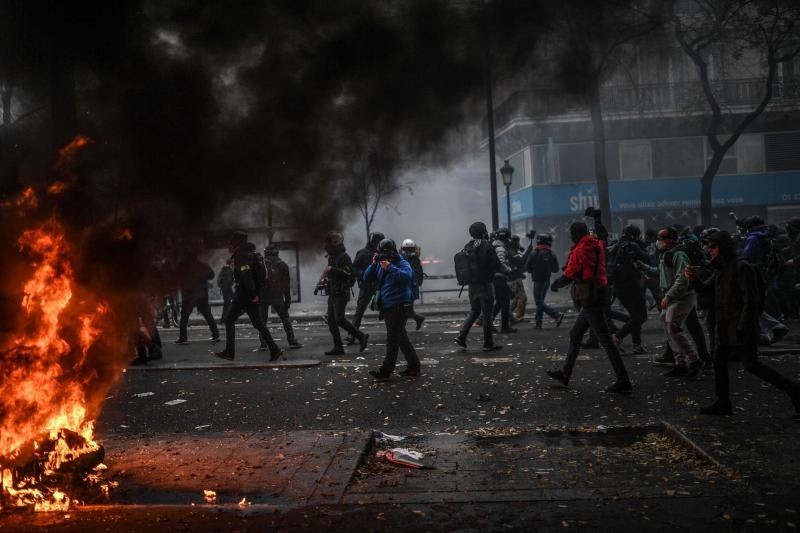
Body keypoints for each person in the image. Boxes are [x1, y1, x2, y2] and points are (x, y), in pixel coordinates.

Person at [688, 231, 800, 418]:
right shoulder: (721, 269)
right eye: (709, 247)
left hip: (741, 327)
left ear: (723, 248)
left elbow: (751, 299)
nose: (709, 250)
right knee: (719, 361)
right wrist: (693, 279)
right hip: (725, 327)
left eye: (713, 247)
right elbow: (706, 291)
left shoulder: (742, 267)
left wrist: (743, 325)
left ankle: (793, 389)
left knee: (751, 365)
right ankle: (723, 402)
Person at [546, 222, 632, 393]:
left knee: (606, 340)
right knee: (576, 333)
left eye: (572, 233)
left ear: (576, 234)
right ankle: (565, 373)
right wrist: (597, 219)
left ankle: (624, 381)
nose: (570, 237)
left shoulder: (580, 250)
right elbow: (602, 237)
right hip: (600, 290)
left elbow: (569, 274)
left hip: (589, 296)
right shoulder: (597, 244)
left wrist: (556, 284)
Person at [637, 226, 702, 378]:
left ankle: (694, 360)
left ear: (671, 240)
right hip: (672, 296)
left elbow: (682, 279)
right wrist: (642, 266)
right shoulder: (666, 255)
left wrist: (668, 296)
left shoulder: (679, 255)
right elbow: (658, 272)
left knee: (673, 327)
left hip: (682, 297)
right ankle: (680, 363)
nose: (658, 241)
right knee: (668, 327)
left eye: (661, 238)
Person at [214, 232, 283, 361]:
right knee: (258, 323)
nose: (231, 245)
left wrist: (252, 294)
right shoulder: (251, 254)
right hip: (250, 293)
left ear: (237, 242)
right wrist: (255, 294)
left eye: (233, 242)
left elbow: (246, 275)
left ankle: (230, 352)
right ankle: (274, 349)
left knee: (229, 320)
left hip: (245, 294)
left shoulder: (242, 255)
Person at [365, 239, 421, 380]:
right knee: (401, 338)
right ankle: (414, 366)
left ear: (392, 251)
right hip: (388, 306)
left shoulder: (401, 262)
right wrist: (374, 264)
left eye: (384, 253)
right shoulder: (381, 262)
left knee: (393, 339)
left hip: (399, 306)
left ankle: (386, 370)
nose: (383, 255)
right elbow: (366, 277)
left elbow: (407, 277)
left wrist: (389, 266)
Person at [454, 221, 509, 351]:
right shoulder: (486, 245)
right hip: (485, 285)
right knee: (487, 315)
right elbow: (496, 264)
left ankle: (461, 336)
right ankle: (488, 343)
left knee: (474, 311)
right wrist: (506, 270)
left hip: (472, 285)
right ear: (483, 232)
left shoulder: (468, 245)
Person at [322, 230, 368, 356]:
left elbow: (349, 273)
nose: (326, 247)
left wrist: (333, 270)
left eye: (329, 244)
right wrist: (324, 279)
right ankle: (338, 347)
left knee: (339, 319)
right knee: (331, 321)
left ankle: (361, 336)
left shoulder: (343, 256)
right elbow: (331, 273)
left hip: (341, 292)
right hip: (333, 292)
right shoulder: (332, 257)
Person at [608, 225, 649, 354]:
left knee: (634, 316)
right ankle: (618, 336)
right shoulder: (632, 245)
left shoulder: (614, 246)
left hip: (618, 288)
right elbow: (647, 259)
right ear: (634, 235)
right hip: (632, 286)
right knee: (641, 316)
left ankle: (637, 345)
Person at [256, 244, 302, 349]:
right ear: (277, 252)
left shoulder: (261, 264)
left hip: (263, 296)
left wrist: (256, 296)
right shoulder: (282, 265)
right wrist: (288, 299)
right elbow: (286, 284)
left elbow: (257, 281)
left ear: (266, 252)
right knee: (285, 318)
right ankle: (292, 341)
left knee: (262, 320)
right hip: (277, 296)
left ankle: (263, 344)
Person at [174, 252, 219, 345]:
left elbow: (176, 277)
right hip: (201, 294)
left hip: (188, 295)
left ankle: (183, 337)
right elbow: (211, 275)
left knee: (184, 318)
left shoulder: (182, 266)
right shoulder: (202, 266)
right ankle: (216, 334)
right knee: (207, 315)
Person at [524, 233, 564, 328]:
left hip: (537, 281)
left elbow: (527, 267)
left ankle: (556, 314)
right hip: (547, 281)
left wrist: (534, 270)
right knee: (541, 301)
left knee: (538, 302)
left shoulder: (534, 252)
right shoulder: (551, 253)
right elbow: (556, 269)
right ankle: (538, 322)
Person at [350, 232, 384, 340]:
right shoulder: (363, 253)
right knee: (359, 311)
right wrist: (363, 275)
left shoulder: (382, 254)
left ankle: (397, 332)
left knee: (388, 309)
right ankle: (352, 334)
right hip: (366, 287)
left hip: (379, 286)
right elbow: (354, 268)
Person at [491, 228, 515, 333]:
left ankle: (488, 322)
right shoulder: (500, 248)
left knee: (500, 303)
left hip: (495, 278)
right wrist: (509, 269)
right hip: (500, 277)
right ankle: (505, 327)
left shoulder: (494, 246)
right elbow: (501, 263)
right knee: (505, 302)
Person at [400, 238, 425, 330]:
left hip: (410, 288)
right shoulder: (413, 259)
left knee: (406, 309)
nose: (408, 251)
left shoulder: (412, 259)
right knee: (407, 309)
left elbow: (417, 274)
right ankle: (418, 319)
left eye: (409, 249)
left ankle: (401, 329)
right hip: (408, 287)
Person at [508, 235, 531, 324]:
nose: (518, 244)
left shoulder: (512, 250)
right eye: (517, 242)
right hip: (514, 278)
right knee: (522, 297)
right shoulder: (511, 251)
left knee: (517, 298)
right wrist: (528, 251)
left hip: (515, 277)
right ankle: (518, 317)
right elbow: (520, 261)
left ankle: (508, 315)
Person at [217, 259, 234, 324]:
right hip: (227, 290)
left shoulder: (223, 269)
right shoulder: (228, 270)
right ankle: (225, 319)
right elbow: (229, 280)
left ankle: (225, 319)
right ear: (230, 263)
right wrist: (232, 280)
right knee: (228, 304)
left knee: (227, 304)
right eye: (232, 263)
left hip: (225, 290)